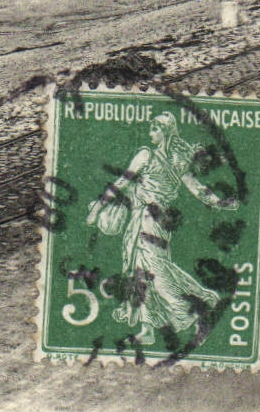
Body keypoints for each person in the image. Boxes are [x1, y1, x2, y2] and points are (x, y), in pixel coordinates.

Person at [86, 111, 239, 346]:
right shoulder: (176, 162)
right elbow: (197, 188)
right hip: (152, 221)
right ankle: (147, 329)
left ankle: (200, 310)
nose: (150, 133)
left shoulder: (147, 155)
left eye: (154, 129)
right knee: (142, 273)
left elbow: (121, 182)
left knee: (157, 274)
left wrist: (97, 209)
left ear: (165, 131)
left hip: (149, 220)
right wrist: (218, 202)